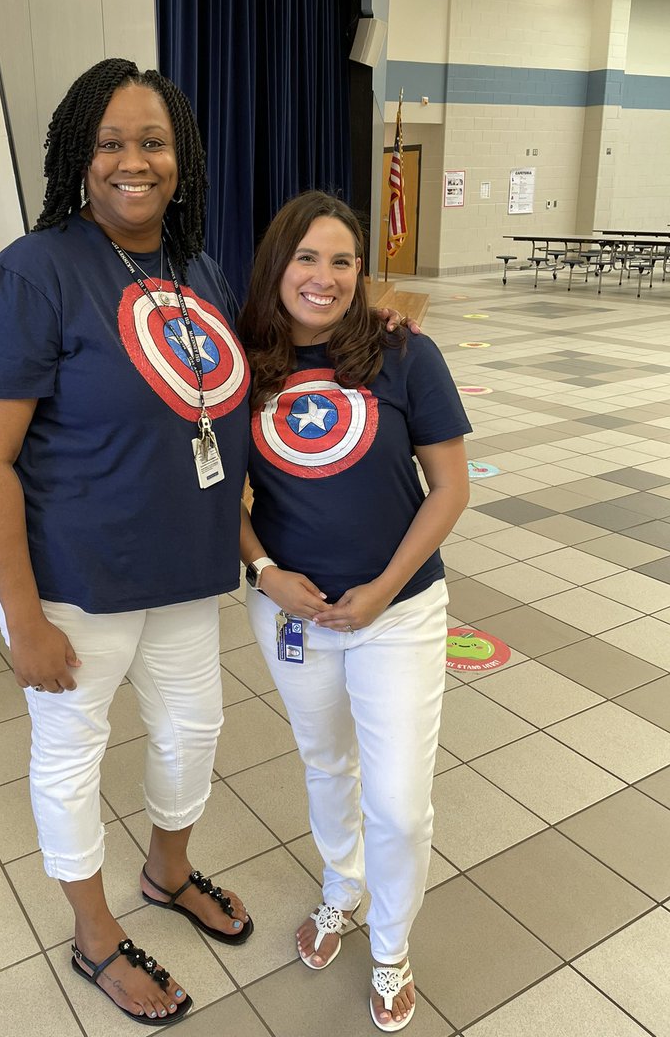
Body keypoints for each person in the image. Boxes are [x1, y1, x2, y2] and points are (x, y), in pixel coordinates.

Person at [0, 58, 255, 1028]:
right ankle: (93, 935)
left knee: (193, 728)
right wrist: (25, 618)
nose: (135, 160)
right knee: (72, 754)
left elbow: (208, 414)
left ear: (184, 158)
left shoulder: (194, 267)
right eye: (111, 142)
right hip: (73, 582)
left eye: (154, 142)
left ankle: (167, 875)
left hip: (180, 569)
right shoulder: (31, 273)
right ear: (78, 158)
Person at [237, 191, 471, 1032]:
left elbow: (450, 488)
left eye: (342, 261)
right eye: (306, 258)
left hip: (399, 610)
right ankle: (343, 889)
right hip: (292, 614)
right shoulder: (242, 359)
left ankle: (392, 945)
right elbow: (214, 483)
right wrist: (263, 570)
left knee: (401, 800)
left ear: (360, 273)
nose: (324, 277)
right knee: (325, 763)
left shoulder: (405, 354)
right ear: (277, 266)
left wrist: (381, 589)